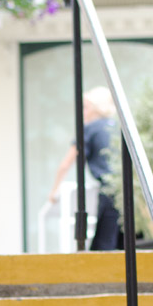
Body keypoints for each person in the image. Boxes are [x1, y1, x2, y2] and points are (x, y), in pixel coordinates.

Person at [48, 86, 122, 251]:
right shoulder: (117, 127)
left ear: (96, 108)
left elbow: (66, 163)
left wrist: (54, 191)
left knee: (103, 247)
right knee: (122, 243)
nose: (83, 112)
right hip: (127, 191)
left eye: (86, 107)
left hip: (109, 191)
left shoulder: (89, 129)